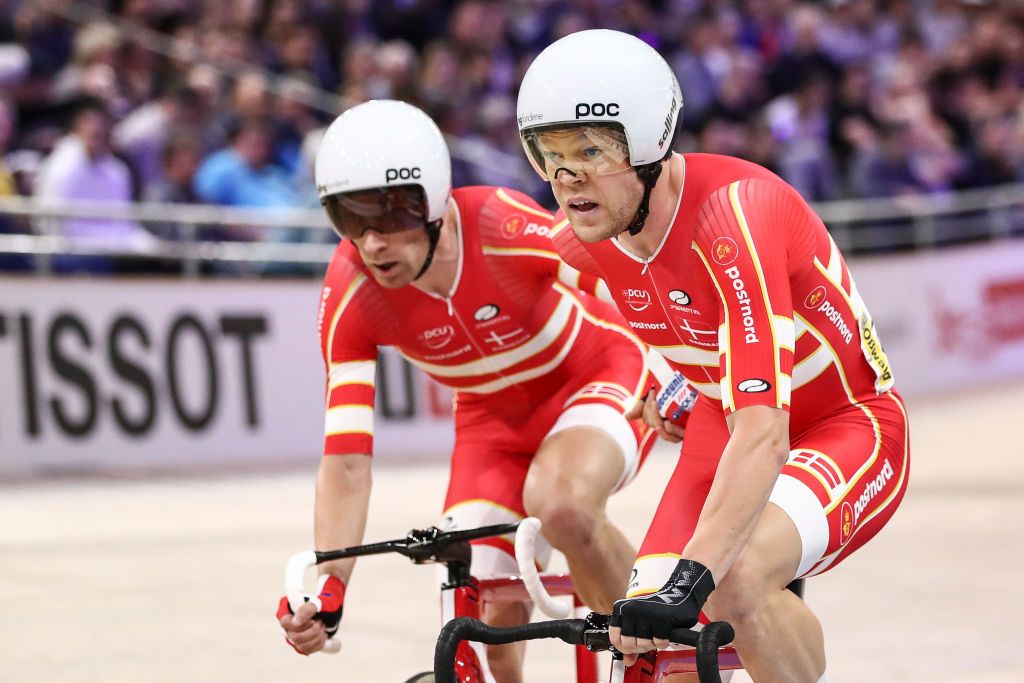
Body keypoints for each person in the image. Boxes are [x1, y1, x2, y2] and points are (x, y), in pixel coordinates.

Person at [515, 30, 910, 683]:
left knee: (730, 580)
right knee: (648, 646)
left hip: (846, 425)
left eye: (589, 151)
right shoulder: (594, 227)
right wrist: (670, 374)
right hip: (721, 426)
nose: (566, 179)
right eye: (549, 154)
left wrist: (692, 580)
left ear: (647, 144)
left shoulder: (735, 216)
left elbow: (764, 431)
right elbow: (487, 269)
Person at [276, 99, 660, 682]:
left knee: (561, 505)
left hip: (595, 374)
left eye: (391, 216)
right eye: (350, 220)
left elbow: (629, 275)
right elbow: (347, 461)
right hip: (492, 429)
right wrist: (331, 587)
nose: (373, 243)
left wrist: (688, 371)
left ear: (433, 204)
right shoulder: (351, 291)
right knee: (481, 616)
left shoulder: (499, 224)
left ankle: (657, 650)